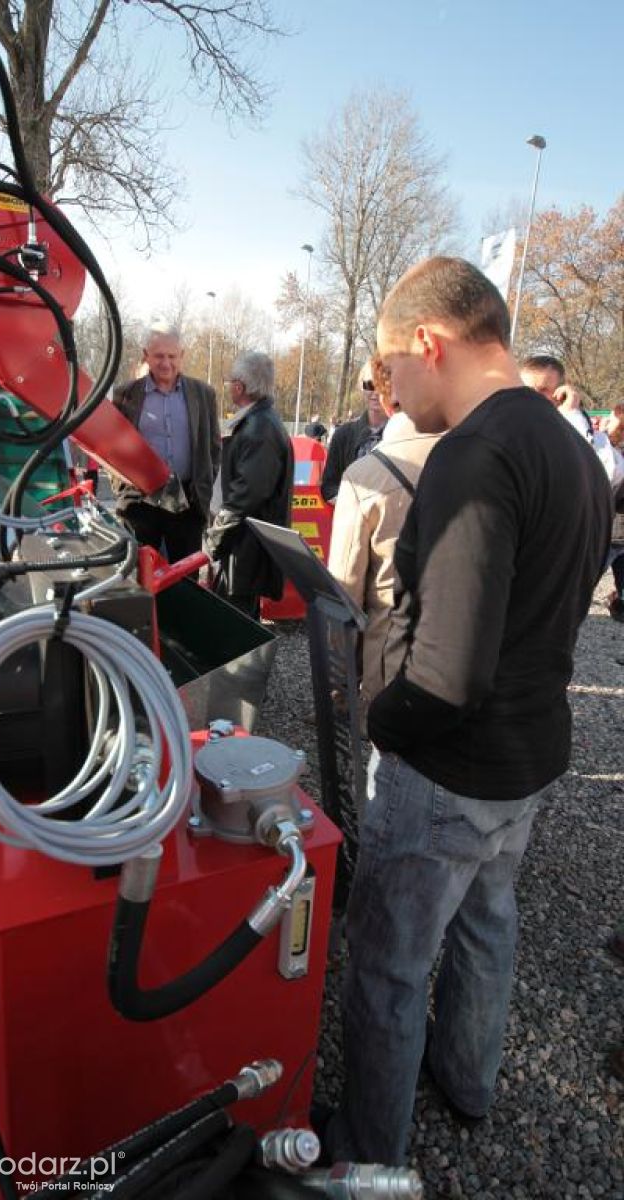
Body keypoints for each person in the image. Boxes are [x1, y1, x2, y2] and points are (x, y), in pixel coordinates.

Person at [328, 257, 612, 1167]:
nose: (390, 394)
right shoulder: (571, 446)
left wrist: (380, 723)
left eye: (388, 371)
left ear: (428, 341)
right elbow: (555, 609)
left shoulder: (474, 454)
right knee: (487, 925)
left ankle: (371, 1160)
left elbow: (446, 678)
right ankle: (469, 1081)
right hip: (528, 761)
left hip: (447, 775)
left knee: (389, 967)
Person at [328, 358, 441, 734]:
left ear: (389, 400)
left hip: (391, 644)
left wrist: (340, 677)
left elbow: (343, 590)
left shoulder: (365, 475)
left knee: (388, 758)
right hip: (467, 644)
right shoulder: (479, 457)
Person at [112, 328, 220, 562]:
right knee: (141, 577)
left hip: (188, 505)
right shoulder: (126, 395)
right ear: (146, 355)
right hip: (140, 504)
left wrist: (204, 486)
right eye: (159, 356)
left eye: (172, 356)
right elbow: (113, 448)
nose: (166, 363)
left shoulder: (204, 395)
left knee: (185, 577)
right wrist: (121, 488)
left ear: (182, 355)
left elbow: (213, 447)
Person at [204, 351, 293, 619]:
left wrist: (214, 539)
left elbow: (246, 496)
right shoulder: (258, 422)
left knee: (233, 627)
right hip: (242, 548)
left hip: (243, 551)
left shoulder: (259, 429)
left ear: (239, 387)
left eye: (230, 381)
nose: (228, 386)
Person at [321, 361, 389, 502]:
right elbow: (329, 486)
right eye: (369, 385)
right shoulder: (343, 435)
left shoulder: (403, 435)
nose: (375, 392)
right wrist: (352, 504)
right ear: (361, 387)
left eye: (382, 384)